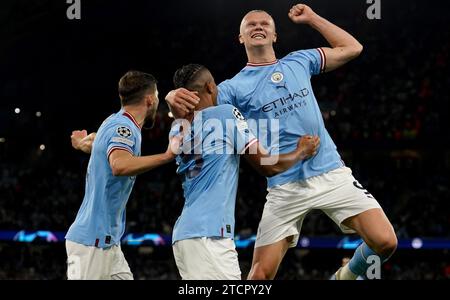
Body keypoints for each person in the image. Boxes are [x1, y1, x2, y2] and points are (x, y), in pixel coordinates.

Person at [165, 4, 397, 280]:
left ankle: (343, 277)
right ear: (241, 38)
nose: (258, 26)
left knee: (385, 241)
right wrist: (171, 98)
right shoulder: (231, 88)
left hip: (330, 172)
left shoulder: (298, 61)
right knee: (260, 276)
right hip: (283, 185)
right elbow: (195, 117)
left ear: (275, 35)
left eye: (265, 23)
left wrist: (312, 18)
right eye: (250, 25)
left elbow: (352, 47)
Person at [169, 64, 319, 279]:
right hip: (209, 235)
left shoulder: (178, 127)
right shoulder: (224, 113)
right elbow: (269, 165)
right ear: (211, 87)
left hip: (186, 234)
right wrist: (301, 151)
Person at [65, 70, 179, 280]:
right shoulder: (123, 127)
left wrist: (82, 143)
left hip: (108, 242)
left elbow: (97, 141)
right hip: (92, 241)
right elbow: (119, 165)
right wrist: (167, 156)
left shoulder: (114, 121)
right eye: (157, 95)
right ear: (150, 99)